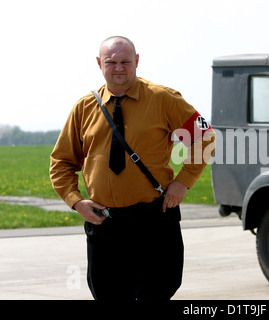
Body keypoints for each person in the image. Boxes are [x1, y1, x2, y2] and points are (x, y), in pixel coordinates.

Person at [49, 36, 215, 300]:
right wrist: (75, 201)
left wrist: (184, 181)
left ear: (137, 61)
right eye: (111, 62)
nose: (118, 68)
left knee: (158, 290)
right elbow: (61, 161)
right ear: (98, 64)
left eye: (125, 61)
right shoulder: (84, 107)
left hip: (154, 219)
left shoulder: (163, 99)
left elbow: (204, 137)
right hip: (105, 224)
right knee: (108, 294)